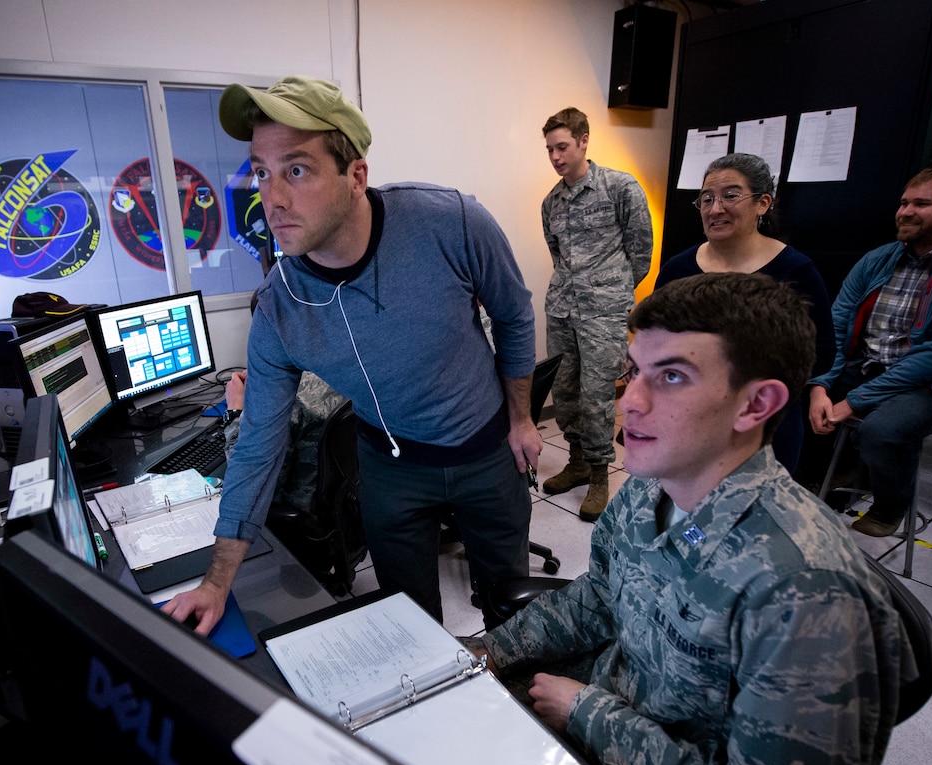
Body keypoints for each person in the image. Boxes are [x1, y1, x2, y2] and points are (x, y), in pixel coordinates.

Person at [465, 272, 914, 765]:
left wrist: (589, 715)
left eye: (671, 376)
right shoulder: (651, 488)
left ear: (757, 404)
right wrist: (488, 655)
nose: (629, 399)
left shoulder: (804, 594)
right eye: (634, 371)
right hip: (599, 711)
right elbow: (601, 594)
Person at [161, 76, 540, 634]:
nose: (273, 197)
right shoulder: (278, 307)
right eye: (261, 173)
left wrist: (523, 416)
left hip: (485, 448)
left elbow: (514, 315)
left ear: (355, 176)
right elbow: (258, 448)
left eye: (297, 170)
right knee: (410, 625)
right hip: (390, 468)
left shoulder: (452, 222)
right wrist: (217, 583)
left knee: (512, 613)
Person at [804, 163, 932, 537]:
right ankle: (816, 476)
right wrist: (820, 385)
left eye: (921, 204)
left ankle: (889, 505)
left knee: (883, 430)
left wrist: (852, 402)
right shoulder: (878, 258)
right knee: (783, 393)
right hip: (868, 365)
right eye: (904, 202)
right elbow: (835, 327)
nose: (905, 212)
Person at [656, 153, 833, 472]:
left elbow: (820, 353)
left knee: (749, 516)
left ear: (763, 203)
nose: (715, 208)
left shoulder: (795, 271)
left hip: (761, 428)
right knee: (685, 514)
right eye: (706, 199)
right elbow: (653, 339)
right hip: (686, 420)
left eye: (730, 196)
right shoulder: (678, 269)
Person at [539, 107, 652, 521]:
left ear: (584, 140)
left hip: (604, 314)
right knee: (565, 393)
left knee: (597, 397)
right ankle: (578, 462)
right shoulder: (551, 202)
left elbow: (640, 253)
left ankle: (601, 475)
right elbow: (558, 257)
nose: (555, 156)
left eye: (562, 146)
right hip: (563, 311)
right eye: (549, 149)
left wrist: (613, 293)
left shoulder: (620, 188)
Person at [219, 368, 345, 514]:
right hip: (346, 504)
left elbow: (251, 480)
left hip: (301, 515)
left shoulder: (285, 395)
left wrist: (235, 409)